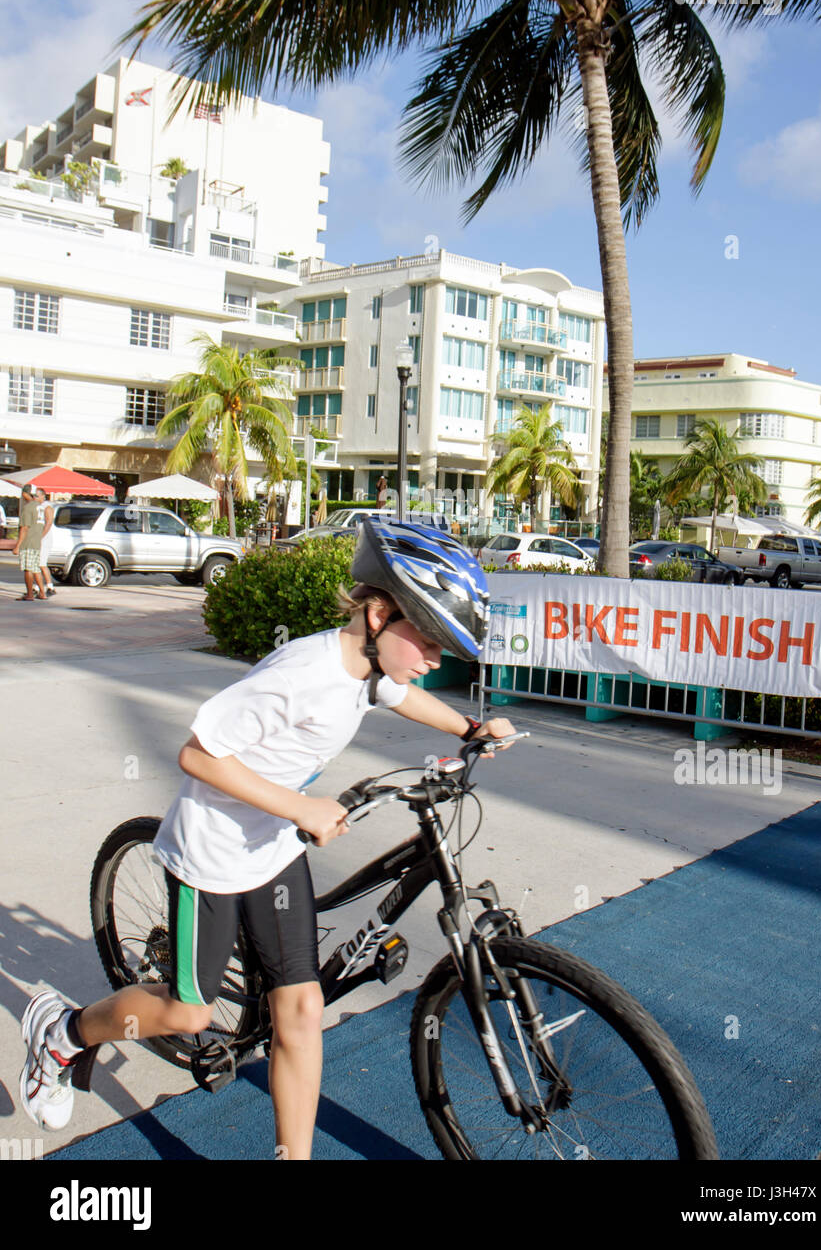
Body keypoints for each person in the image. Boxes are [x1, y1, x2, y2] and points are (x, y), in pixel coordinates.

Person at [19, 520, 513, 1158]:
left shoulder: (369, 666)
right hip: (212, 856)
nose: (436, 660)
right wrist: (300, 806)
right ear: (379, 614)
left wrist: (469, 729)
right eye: (430, 641)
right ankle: (63, 1032)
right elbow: (198, 755)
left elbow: (400, 695)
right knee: (190, 1014)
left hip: (273, 849)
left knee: (302, 1012)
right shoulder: (302, 672)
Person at [12, 484, 48, 601]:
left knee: (28, 569)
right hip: (36, 542)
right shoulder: (40, 507)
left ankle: (29, 594)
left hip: (28, 542)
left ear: (25, 494)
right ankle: (42, 593)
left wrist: (17, 546)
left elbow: (24, 528)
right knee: (36, 568)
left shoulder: (28, 507)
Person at [35, 488, 57, 595]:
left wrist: (41, 537)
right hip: (36, 538)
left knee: (42, 563)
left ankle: (50, 587)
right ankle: (36, 587)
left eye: (37, 495)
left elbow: (49, 523)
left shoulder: (47, 507)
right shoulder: (37, 507)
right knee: (36, 564)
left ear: (43, 496)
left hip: (45, 539)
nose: (35, 498)